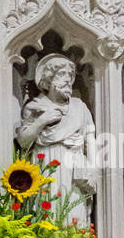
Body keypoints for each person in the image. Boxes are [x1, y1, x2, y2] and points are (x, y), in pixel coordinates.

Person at [16, 54, 96, 223]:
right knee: (48, 215)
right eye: (62, 74)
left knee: (75, 217)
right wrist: (42, 121)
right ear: (48, 79)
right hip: (47, 164)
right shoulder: (35, 106)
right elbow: (23, 141)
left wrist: (92, 168)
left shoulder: (79, 107)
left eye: (70, 75)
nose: (68, 79)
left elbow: (90, 139)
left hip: (75, 168)